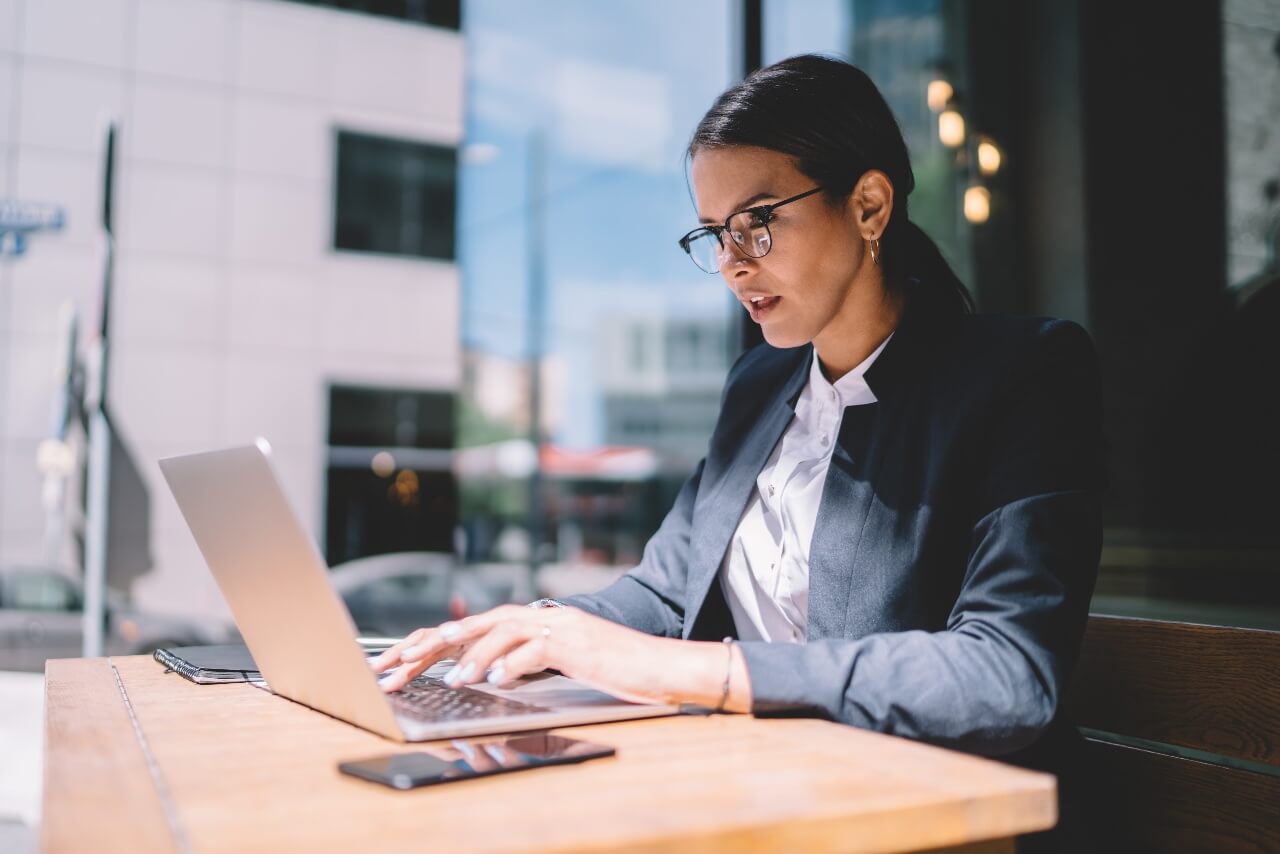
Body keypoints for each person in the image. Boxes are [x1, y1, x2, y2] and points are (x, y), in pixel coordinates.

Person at [371, 54, 1105, 851]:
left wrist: (699, 673)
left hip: (925, 821)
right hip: (764, 792)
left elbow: (1007, 675)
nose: (732, 263)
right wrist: (525, 630)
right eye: (715, 233)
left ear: (868, 205)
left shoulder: (1023, 374)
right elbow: (660, 594)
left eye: (757, 220)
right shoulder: (760, 385)